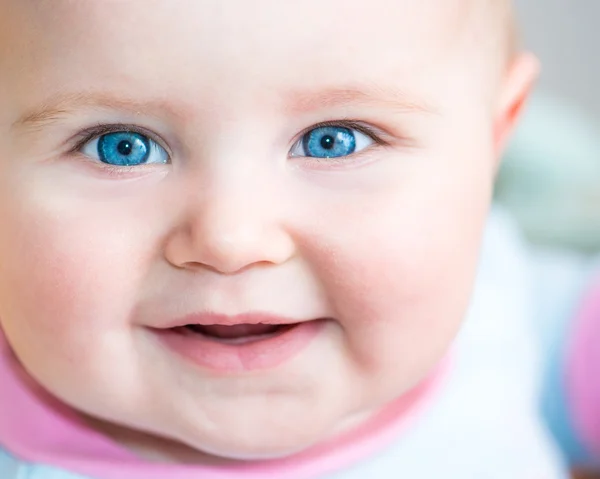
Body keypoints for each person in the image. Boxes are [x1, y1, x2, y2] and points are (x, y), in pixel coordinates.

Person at [0, 0, 565, 477]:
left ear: (491, 143)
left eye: (334, 141)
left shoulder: (490, 288)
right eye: (121, 146)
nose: (230, 239)